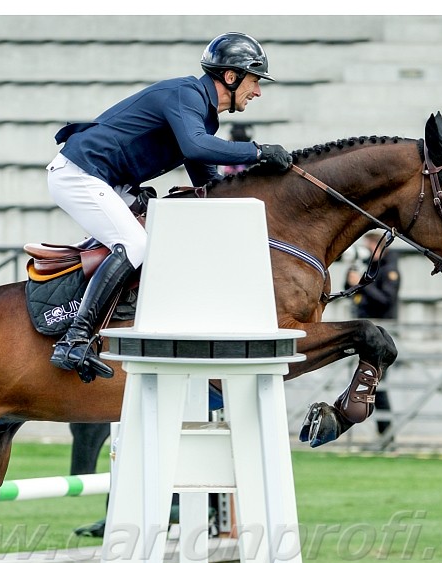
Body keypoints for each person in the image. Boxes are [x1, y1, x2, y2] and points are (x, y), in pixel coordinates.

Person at [47, 32, 293, 383]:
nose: (257, 92)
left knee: (165, 239)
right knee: (135, 244)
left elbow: (206, 182)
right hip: (79, 173)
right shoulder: (186, 95)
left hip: (107, 181)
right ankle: (75, 339)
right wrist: (257, 152)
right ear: (230, 76)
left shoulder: (204, 117)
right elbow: (196, 148)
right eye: (254, 81)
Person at [348, 231, 401, 434]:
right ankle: (383, 433)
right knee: (371, 383)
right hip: (368, 333)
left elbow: (385, 300)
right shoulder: (370, 266)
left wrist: (360, 284)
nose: (367, 249)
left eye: (370, 244)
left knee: (377, 383)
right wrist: (353, 282)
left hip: (382, 333)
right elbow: (350, 291)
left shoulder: (389, 269)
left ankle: (386, 433)